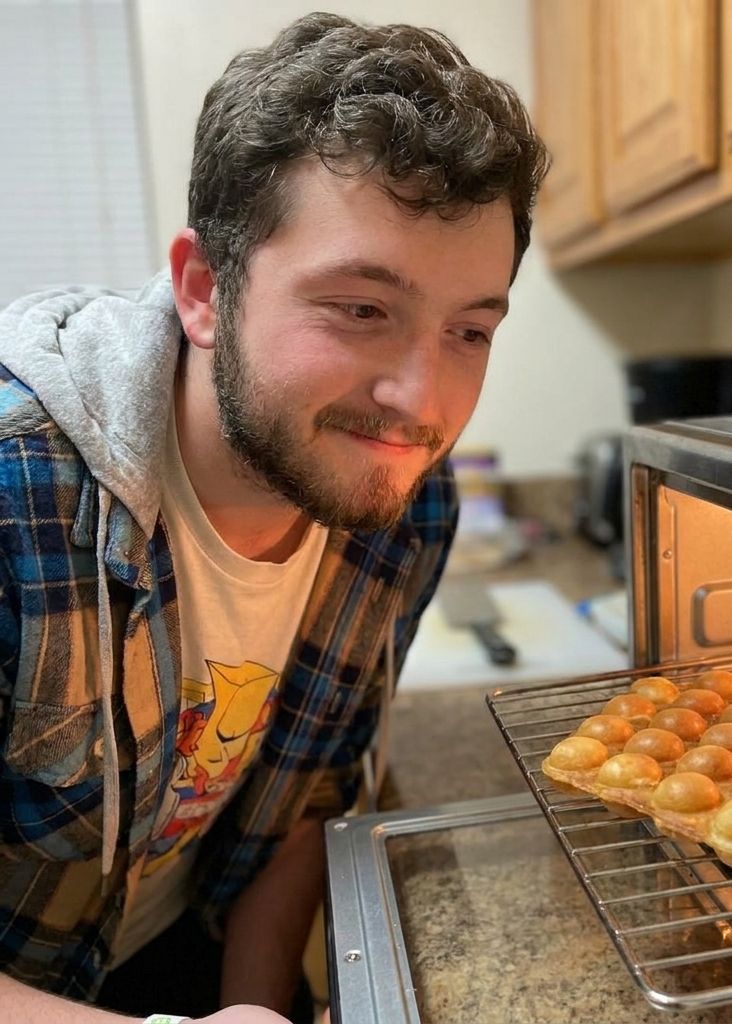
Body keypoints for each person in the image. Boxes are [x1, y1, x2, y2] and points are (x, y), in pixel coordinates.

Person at [0, 12, 547, 1023]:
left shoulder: (404, 505)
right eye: (360, 309)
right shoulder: (19, 495)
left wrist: (254, 1008)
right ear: (206, 290)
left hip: (177, 953)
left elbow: (306, 798)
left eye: (469, 328)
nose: (419, 400)